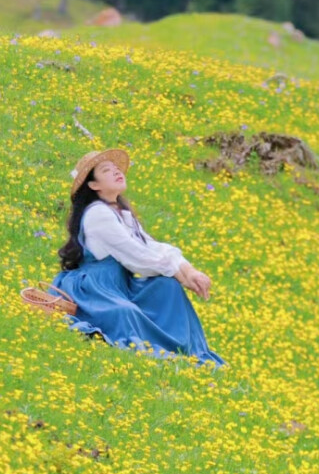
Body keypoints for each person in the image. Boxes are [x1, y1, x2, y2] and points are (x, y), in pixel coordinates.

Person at [49, 148, 225, 368]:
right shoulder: (97, 214)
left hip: (121, 284)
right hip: (95, 288)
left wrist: (186, 269)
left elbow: (150, 246)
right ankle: (156, 349)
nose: (116, 172)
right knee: (126, 312)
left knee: (166, 287)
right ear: (94, 185)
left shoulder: (121, 213)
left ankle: (190, 350)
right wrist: (182, 273)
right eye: (106, 170)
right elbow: (137, 258)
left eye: (116, 168)